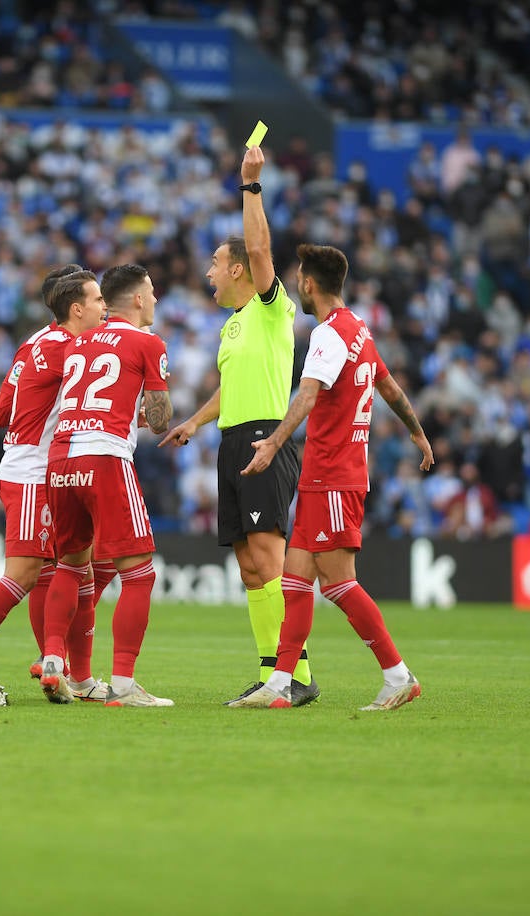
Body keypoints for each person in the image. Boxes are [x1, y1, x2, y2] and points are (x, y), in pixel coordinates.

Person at [230, 244, 432, 711]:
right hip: (325, 475)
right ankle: (281, 682)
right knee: (297, 581)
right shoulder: (358, 329)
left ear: (309, 283)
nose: (297, 283)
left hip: (334, 476)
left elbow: (308, 393)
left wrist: (273, 443)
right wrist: (418, 434)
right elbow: (389, 387)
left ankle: (398, 674)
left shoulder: (328, 335)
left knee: (338, 583)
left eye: (300, 276)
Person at [159, 146, 317, 706]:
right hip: (231, 440)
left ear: (237, 271)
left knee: (271, 558)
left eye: (214, 264)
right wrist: (195, 423)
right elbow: (229, 389)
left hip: (265, 438)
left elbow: (259, 246)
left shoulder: (272, 309)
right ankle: (270, 670)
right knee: (250, 566)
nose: (207, 273)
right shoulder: (231, 328)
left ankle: (295, 675)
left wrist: (250, 186)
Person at [0, 265, 111, 701]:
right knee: (23, 574)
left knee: (50, 572)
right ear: (75, 307)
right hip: (32, 473)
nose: (104, 308)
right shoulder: (67, 348)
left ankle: (56, 664)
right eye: (98, 300)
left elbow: (1, 411)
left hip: (31, 466)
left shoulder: (34, 342)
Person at [40, 264, 173, 707]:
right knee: (139, 572)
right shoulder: (147, 342)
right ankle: (122, 683)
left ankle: (54, 660)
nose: (155, 299)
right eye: (151, 292)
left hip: (60, 458)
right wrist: (152, 399)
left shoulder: (77, 341)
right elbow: (159, 420)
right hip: (105, 457)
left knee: (71, 565)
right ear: (137, 299)